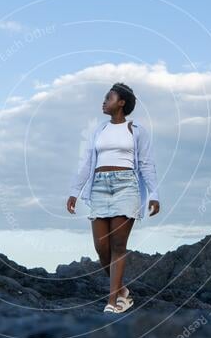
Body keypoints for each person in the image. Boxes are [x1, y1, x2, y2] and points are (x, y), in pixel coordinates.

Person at [66, 82, 160, 314]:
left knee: (118, 246)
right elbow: (86, 162)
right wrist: (74, 191)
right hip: (98, 187)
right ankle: (122, 291)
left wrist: (154, 194)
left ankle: (113, 301)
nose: (104, 101)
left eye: (109, 97)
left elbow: (147, 164)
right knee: (101, 247)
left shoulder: (137, 130)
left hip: (126, 186)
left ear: (122, 103)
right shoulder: (99, 131)